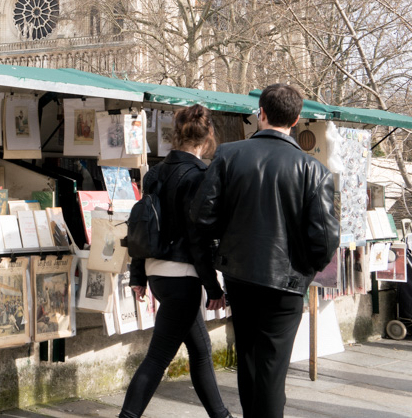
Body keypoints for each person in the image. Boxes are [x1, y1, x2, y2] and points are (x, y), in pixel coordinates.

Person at [191, 83, 338, 418]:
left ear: (261, 113)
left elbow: (202, 218)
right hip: (286, 281)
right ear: (297, 119)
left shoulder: (229, 155)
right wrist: (306, 269)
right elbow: (326, 239)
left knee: (249, 360)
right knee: (272, 369)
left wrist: (227, 247)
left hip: (240, 274)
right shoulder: (313, 170)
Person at [119, 105, 232, 418]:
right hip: (183, 278)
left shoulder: (154, 173)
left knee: (200, 350)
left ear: (175, 134)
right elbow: (198, 240)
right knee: (157, 359)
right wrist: (213, 286)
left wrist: (139, 275)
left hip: (158, 276)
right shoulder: (199, 177)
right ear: (208, 136)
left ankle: (222, 416)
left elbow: (141, 226)